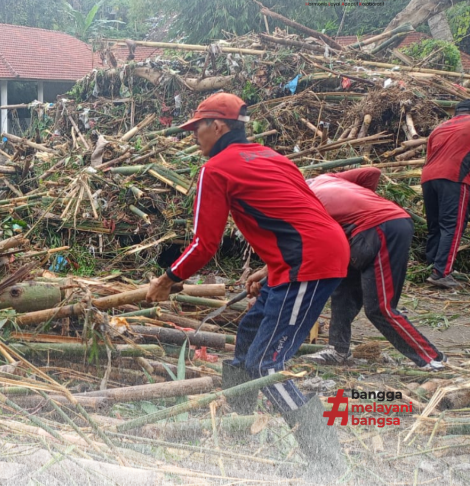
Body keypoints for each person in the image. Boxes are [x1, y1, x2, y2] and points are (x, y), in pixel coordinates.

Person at [145, 93, 350, 475]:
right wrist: (269, 266)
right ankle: (241, 428)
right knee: (248, 334)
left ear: (218, 126)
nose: (194, 137)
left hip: (308, 262)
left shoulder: (217, 168)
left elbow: (204, 244)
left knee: (267, 364)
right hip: (304, 254)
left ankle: (327, 463)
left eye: (197, 128)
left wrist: (168, 279)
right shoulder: (272, 157)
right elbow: (300, 214)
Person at [305, 167, 446, 370]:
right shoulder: (324, 179)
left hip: (382, 226)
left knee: (380, 307)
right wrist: (364, 202)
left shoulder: (304, 202)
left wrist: (369, 210)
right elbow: (372, 173)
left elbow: (305, 248)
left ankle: (432, 358)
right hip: (359, 230)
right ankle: (338, 350)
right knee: (343, 292)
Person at [421, 99, 470, 289]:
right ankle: (441, 273)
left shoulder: (439, 128)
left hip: (428, 177)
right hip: (454, 177)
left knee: (436, 225)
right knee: (453, 225)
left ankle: (433, 264)